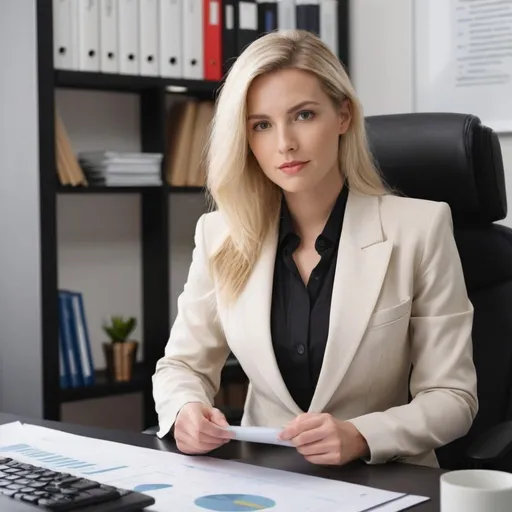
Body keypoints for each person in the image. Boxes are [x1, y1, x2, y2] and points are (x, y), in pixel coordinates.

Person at [152, 29, 478, 468]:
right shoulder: (220, 235)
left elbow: (453, 398)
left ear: (343, 115)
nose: (284, 142)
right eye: (261, 125)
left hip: (384, 480)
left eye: (303, 115)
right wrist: (184, 411)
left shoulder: (420, 228)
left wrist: (362, 435)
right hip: (263, 479)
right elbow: (181, 367)